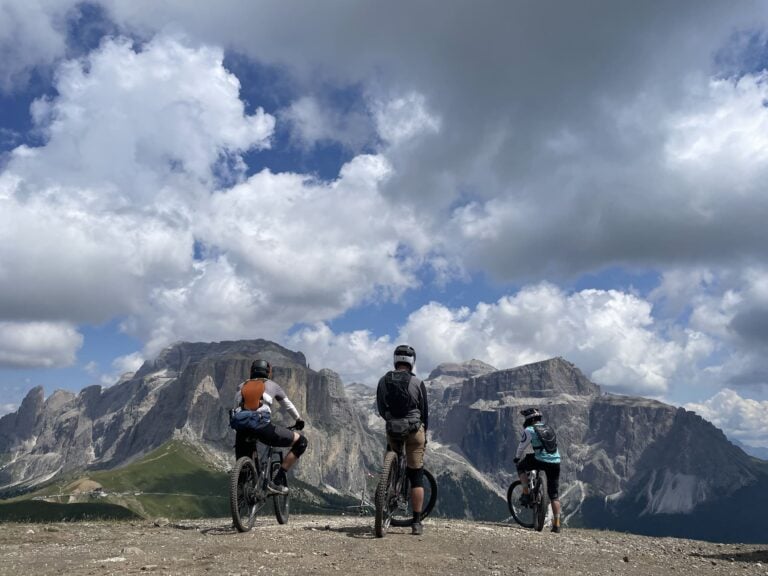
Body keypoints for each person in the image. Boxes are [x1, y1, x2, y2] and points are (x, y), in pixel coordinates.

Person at [231, 359, 307, 495]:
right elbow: (288, 405)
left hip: (241, 429)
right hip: (263, 428)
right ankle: (277, 482)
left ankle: (241, 494)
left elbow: (236, 406)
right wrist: (298, 420)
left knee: (243, 466)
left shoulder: (241, 386)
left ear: (251, 371)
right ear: (268, 372)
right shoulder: (272, 385)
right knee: (301, 442)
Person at [376, 344, 429, 535]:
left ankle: (388, 482)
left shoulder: (383, 381)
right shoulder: (417, 383)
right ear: (412, 362)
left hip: (393, 429)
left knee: (392, 457)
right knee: (416, 476)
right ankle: (416, 523)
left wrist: (392, 421)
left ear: (395, 360)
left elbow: (381, 409)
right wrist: (425, 433)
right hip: (414, 431)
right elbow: (424, 413)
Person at [514, 407, 562, 533]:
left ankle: (525, 492)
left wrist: (517, 458)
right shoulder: (549, 428)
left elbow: (521, 447)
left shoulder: (529, 430)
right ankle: (556, 525)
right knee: (554, 495)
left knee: (520, 466)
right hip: (556, 461)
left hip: (540, 460)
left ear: (529, 419)